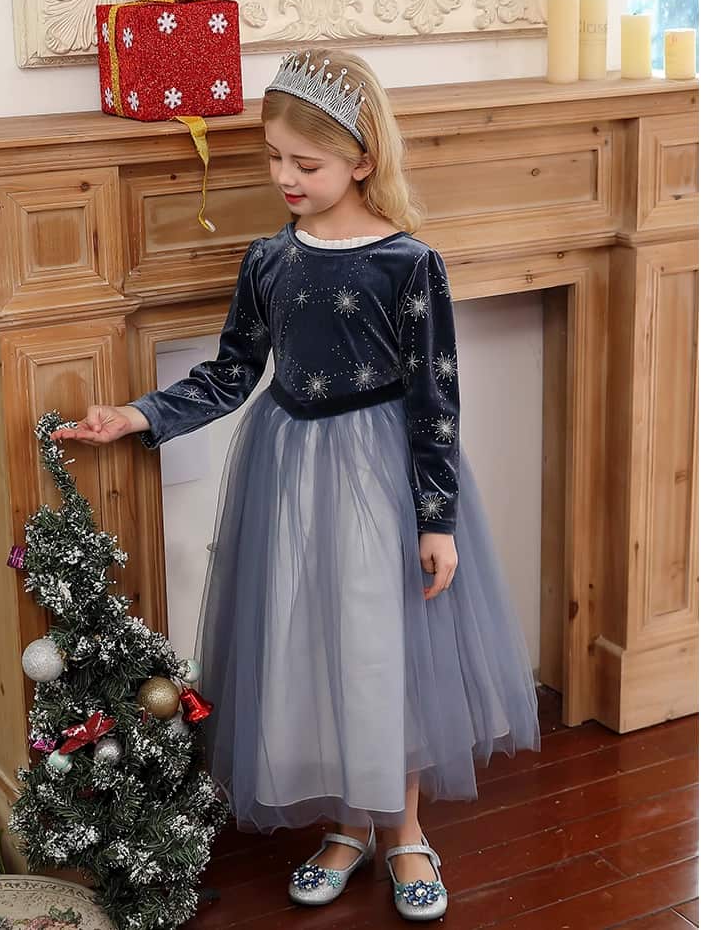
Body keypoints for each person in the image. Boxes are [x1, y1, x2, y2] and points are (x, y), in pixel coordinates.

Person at [51, 47, 541, 921]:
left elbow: (436, 399)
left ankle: (406, 832)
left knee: (386, 650)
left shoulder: (407, 264)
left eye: (303, 163)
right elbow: (233, 373)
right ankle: (348, 826)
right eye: (273, 158)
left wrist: (438, 520)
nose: (284, 176)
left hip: (383, 473)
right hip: (288, 470)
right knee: (317, 646)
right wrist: (137, 416)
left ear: (361, 159)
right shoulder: (269, 260)